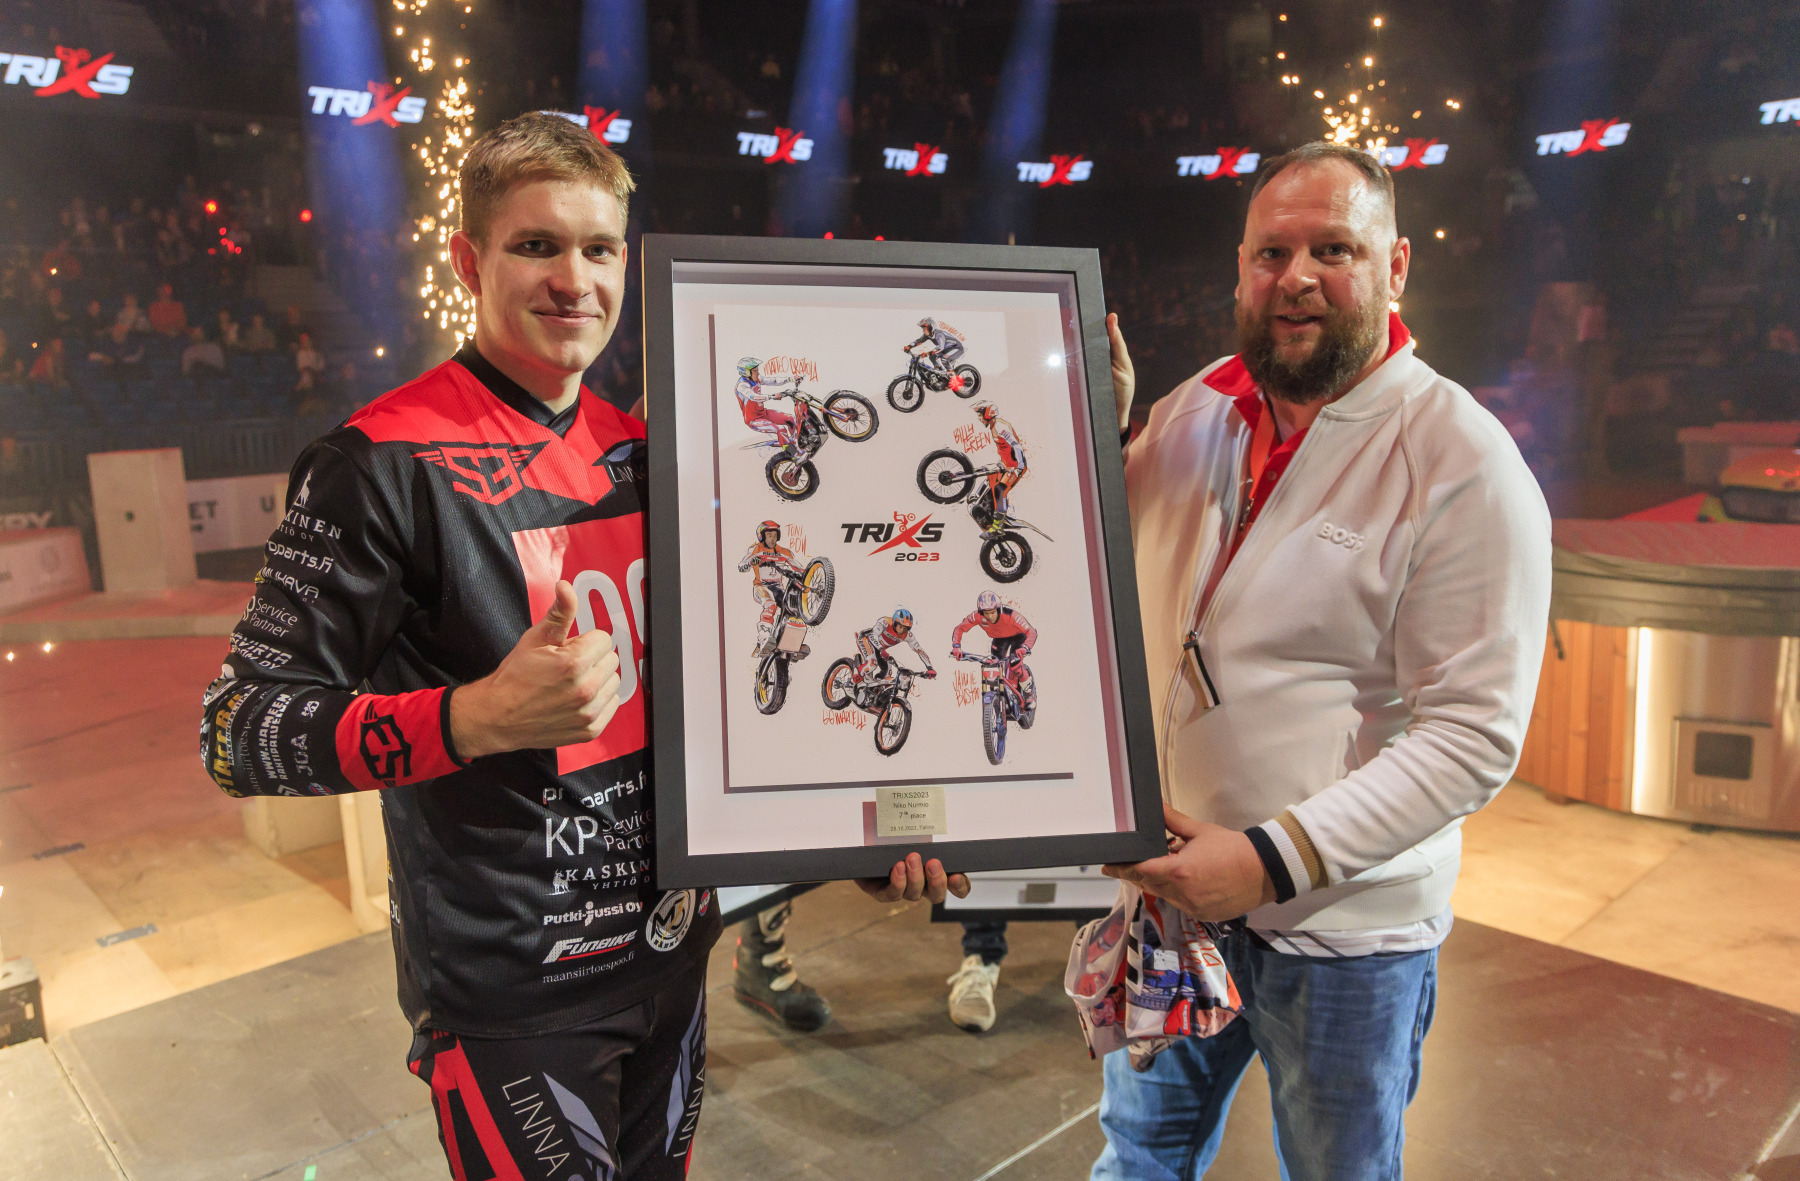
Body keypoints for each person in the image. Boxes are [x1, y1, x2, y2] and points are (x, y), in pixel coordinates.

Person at [198, 111, 720, 1179]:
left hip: (673, 956)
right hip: (515, 1001)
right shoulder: (375, 463)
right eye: (537, 245)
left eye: (600, 249)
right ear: (468, 260)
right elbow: (236, 731)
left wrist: (850, 840)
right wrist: (472, 717)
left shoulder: (648, 448)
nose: (574, 279)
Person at [1096, 141, 1551, 1181]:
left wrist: (1267, 858)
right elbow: (1098, 568)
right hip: (1170, 900)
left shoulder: (1463, 460)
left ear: (1395, 267)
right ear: (1241, 269)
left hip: (1344, 934)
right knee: (1138, 1156)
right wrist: (1099, 434)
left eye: (1333, 249)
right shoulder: (1193, 410)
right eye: (1272, 252)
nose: (1296, 276)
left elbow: (1473, 736)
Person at [942, 590, 1041, 1032]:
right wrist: (956, 645)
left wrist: (1023, 649)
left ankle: (1112, 946)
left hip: (1014, 646)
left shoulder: (1012, 615)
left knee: (1014, 668)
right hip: (996, 649)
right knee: (978, 827)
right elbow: (960, 628)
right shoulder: (977, 617)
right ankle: (981, 955)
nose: (985, 615)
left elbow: (1031, 632)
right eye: (982, 613)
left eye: (989, 612)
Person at [737, 519, 805, 656]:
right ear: (762, 536)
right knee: (770, 605)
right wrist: (752, 562)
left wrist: (807, 575)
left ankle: (791, 642)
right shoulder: (756, 549)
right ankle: (764, 638)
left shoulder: (783, 552)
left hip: (777, 587)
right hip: (761, 586)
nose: (772, 539)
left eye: (774, 536)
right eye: (769, 536)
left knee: (793, 609)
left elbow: (799, 568)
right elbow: (741, 566)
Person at [853, 606, 937, 687]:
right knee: (872, 664)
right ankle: (856, 673)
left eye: (905, 628)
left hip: (880, 649)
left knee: (888, 674)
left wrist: (930, 667)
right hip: (866, 639)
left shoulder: (908, 635)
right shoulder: (885, 622)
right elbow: (873, 635)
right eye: (900, 627)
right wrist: (881, 649)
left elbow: (919, 650)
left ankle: (875, 689)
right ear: (894, 623)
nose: (901, 630)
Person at [971, 401, 1026, 522]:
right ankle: (977, 497)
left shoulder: (1000, 427)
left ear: (988, 413)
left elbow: (1016, 446)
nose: (979, 419)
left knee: (1000, 490)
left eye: (980, 415)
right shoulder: (994, 426)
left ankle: (999, 522)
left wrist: (1019, 467)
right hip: (1006, 464)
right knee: (989, 477)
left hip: (1015, 466)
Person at [733, 355, 799, 447]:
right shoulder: (742, 385)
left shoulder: (757, 379)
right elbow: (753, 397)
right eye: (755, 371)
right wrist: (771, 396)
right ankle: (790, 452)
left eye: (757, 370)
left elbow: (773, 381)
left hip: (763, 413)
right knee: (780, 429)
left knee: (791, 418)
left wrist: (791, 379)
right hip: (753, 420)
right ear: (746, 372)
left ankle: (797, 443)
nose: (758, 373)